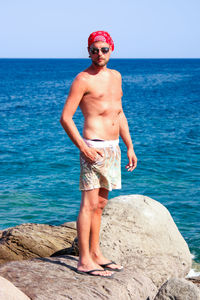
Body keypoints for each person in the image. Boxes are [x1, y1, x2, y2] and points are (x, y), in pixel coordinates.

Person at [60, 31, 137, 278]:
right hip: (93, 147)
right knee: (88, 204)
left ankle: (96, 254)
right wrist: (83, 147)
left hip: (113, 148)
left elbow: (119, 113)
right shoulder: (82, 79)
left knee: (100, 205)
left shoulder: (116, 77)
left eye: (104, 49)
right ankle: (84, 260)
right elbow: (66, 118)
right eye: (94, 50)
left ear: (111, 49)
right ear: (88, 51)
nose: (99, 54)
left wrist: (129, 146)